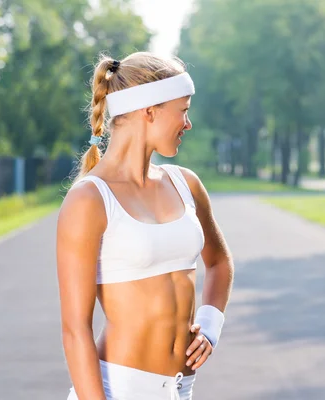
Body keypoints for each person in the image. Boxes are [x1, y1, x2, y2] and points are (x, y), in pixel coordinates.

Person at [56, 51, 234, 400]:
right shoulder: (90, 199)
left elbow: (220, 263)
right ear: (149, 110)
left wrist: (211, 326)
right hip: (117, 390)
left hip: (181, 389)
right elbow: (75, 329)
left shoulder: (186, 183)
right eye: (183, 110)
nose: (188, 123)